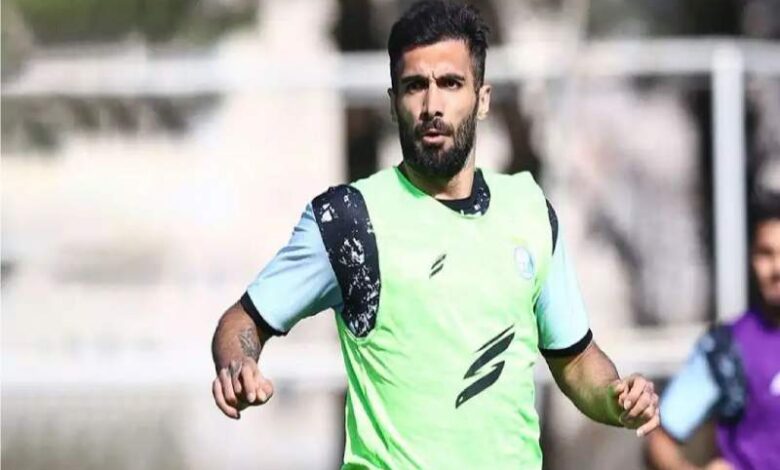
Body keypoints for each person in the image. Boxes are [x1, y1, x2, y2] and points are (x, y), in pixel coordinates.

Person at [211, 1, 660, 468]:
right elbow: (242, 321)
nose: (432, 106)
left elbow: (576, 359)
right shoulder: (351, 220)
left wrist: (616, 398)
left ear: (482, 99)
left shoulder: (529, 211)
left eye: (450, 83)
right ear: (393, 103)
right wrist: (239, 364)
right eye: (414, 86)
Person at [645, 195, 780, 470]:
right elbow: (660, 441)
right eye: (766, 254)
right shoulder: (728, 348)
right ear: (751, 259)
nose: (777, 268)